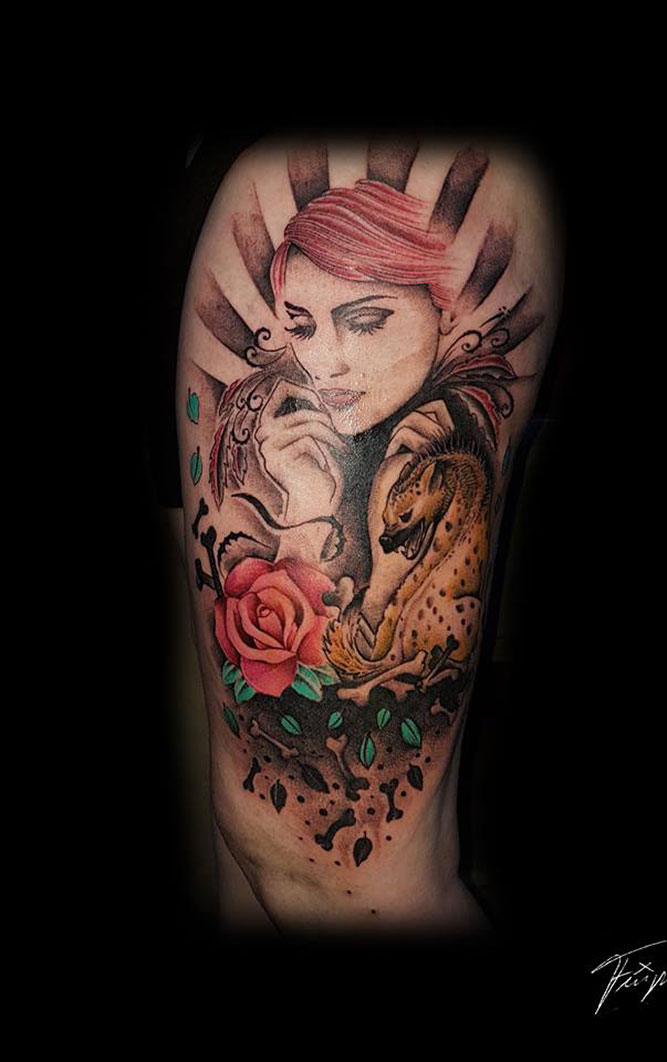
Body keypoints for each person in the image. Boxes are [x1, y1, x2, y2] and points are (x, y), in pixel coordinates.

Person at [176, 133, 563, 936]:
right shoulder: (309, 422)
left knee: (323, 869)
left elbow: (369, 684)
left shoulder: (433, 459)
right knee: (249, 856)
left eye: (363, 319)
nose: (326, 364)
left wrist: (319, 521)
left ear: (441, 307)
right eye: (301, 325)